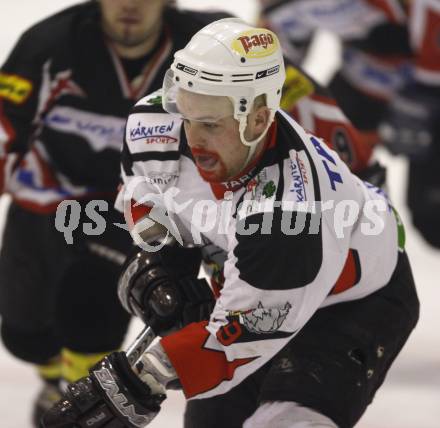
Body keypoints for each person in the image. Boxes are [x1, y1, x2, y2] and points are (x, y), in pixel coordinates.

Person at [41, 18, 419, 428]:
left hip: (352, 302)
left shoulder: (291, 212)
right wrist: (162, 268)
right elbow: (145, 202)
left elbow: (238, 340)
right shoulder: (155, 126)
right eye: (188, 115)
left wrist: (137, 380)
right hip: (255, 285)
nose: (193, 138)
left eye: (211, 124)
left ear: (259, 120)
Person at [0, 0, 230, 424]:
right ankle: (54, 376)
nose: (130, 5)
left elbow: (283, 98)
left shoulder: (208, 44)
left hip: (133, 206)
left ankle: (75, 391)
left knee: (94, 314)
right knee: (23, 335)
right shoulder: (49, 46)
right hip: (49, 202)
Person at [259, 0, 440, 248]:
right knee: (318, 168)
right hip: (364, 79)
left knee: (431, 216)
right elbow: (272, 70)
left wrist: (423, 104)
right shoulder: (280, 9)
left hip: (427, 83)